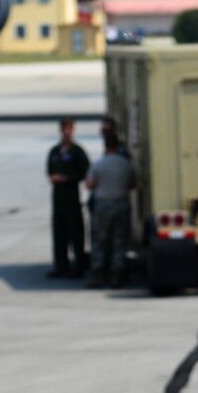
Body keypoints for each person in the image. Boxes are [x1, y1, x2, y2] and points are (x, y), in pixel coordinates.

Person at [84, 130, 136, 287]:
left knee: (100, 239)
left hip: (103, 205)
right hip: (121, 203)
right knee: (119, 239)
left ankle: (97, 272)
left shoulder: (99, 164)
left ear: (106, 146)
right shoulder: (125, 164)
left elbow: (89, 184)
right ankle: (117, 273)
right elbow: (132, 183)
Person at [46, 119, 90, 279]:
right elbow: (49, 171)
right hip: (58, 198)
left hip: (72, 196)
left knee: (76, 232)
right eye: (65, 129)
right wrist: (54, 178)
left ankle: (78, 265)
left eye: (70, 129)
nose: (67, 132)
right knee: (59, 232)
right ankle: (60, 265)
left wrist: (66, 178)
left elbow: (85, 172)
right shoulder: (54, 151)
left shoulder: (77, 151)